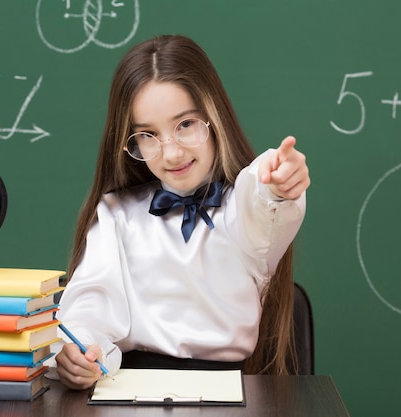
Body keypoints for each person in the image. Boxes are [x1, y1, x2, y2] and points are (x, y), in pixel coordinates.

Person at [50, 34, 310, 390]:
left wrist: (279, 183)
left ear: (214, 116)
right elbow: (92, 304)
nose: (171, 153)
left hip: (226, 395)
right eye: (148, 135)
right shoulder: (117, 214)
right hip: (127, 392)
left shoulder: (241, 210)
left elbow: (263, 199)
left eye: (185, 124)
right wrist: (79, 351)